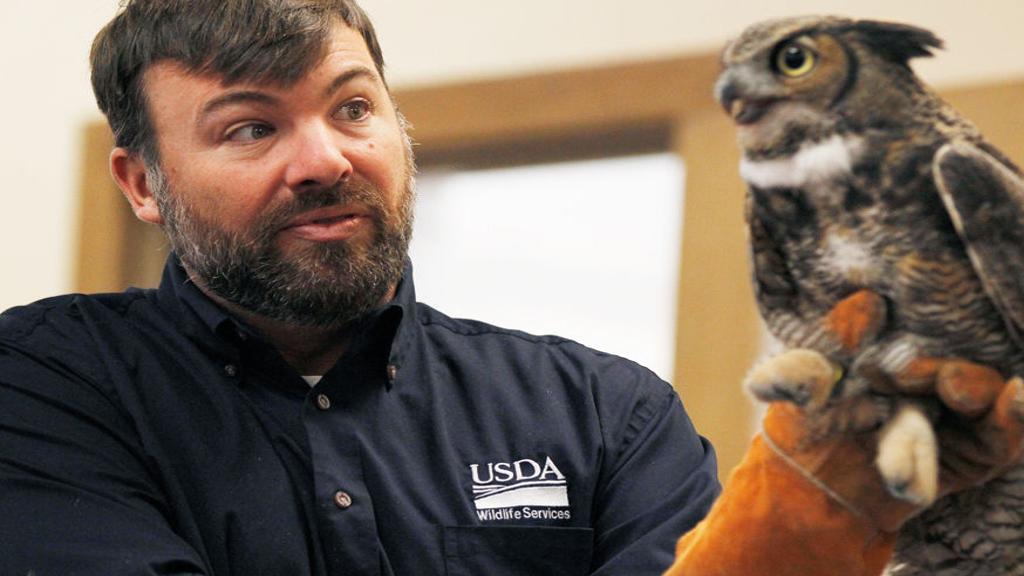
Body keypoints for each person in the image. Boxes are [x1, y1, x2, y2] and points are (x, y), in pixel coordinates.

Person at [0, 1, 1019, 575]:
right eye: (250, 127)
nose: (322, 158)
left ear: (399, 131)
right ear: (142, 182)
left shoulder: (604, 414)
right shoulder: (44, 386)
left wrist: (806, 512)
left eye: (351, 108)